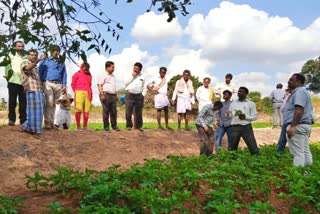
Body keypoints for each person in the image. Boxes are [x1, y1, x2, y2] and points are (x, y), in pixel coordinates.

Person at [283, 73, 313, 167]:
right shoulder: (303, 92)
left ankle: (297, 177)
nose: (289, 81)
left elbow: (299, 110)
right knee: (304, 150)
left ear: (298, 82)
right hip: (304, 125)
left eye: (291, 80)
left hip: (298, 125)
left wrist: (292, 126)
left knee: (298, 153)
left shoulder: (299, 92)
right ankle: (307, 173)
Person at [39, 45, 67, 130]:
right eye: (54, 50)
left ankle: (52, 122)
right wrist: (40, 83)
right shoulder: (45, 61)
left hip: (58, 84)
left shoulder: (61, 62)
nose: (56, 52)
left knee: (54, 103)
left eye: (57, 50)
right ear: (50, 51)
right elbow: (40, 72)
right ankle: (47, 122)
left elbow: (64, 74)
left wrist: (64, 85)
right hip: (48, 83)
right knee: (49, 102)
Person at [227, 86, 260, 155]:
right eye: (238, 91)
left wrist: (245, 117)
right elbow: (230, 117)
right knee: (232, 147)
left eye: (241, 91)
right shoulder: (233, 103)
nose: (239, 93)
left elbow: (255, 117)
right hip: (234, 127)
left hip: (246, 127)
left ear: (246, 93)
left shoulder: (251, 104)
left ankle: (258, 158)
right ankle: (231, 161)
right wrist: (227, 114)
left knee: (252, 146)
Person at [20, 49, 46, 134]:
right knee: (32, 112)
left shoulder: (36, 67)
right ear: (27, 55)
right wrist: (39, 60)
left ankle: (29, 127)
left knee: (39, 112)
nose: (34, 56)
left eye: (35, 55)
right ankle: (32, 130)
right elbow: (27, 68)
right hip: (31, 90)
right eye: (31, 55)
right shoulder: (24, 63)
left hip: (39, 90)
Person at [5, 41, 27, 126]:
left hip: (24, 83)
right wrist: (8, 79)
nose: (21, 48)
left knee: (23, 103)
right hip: (13, 81)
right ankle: (11, 120)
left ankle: (23, 120)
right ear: (15, 47)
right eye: (19, 46)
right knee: (12, 102)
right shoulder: (11, 56)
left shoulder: (26, 57)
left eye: (22, 46)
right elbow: (7, 68)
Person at [124, 62, 147, 131]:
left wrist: (143, 94)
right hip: (130, 94)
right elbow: (125, 82)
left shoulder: (143, 76)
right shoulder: (128, 73)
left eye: (137, 69)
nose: (135, 70)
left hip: (139, 96)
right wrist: (132, 76)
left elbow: (144, 86)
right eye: (134, 68)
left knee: (139, 112)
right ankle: (129, 126)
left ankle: (139, 126)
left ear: (140, 70)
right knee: (128, 111)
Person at [98, 61, 120, 132]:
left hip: (113, 95)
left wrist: (116, 94)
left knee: (114, 111)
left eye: (114, 67)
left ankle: (114, 126)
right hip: (106, 94)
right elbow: (99, 85)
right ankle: (106, 127)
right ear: (107, 67)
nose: (114, 69)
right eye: (112, 67)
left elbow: (113, 86)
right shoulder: (103, 75)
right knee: (106, 111)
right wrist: (102, 94)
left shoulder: (113, 76)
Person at [71, 62, 92, 131]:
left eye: (87, 68)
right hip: (79, 92)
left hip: (88, 93)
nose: (86, 69)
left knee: (87, 110)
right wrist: (76, 91)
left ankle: (85, 127)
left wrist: (90, 93)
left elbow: (90, 85)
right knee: (78, 109)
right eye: (84, 67)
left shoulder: (89, 75)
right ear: (81, 67)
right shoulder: (76, 74)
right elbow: (73, 84)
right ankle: (78, 127)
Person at [276, 88, 292, 153]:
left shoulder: (288, 98)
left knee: (283, 139)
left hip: (288, 120)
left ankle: (279, 153)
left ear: (288, 92)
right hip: (295, 121)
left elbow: (282, 109)